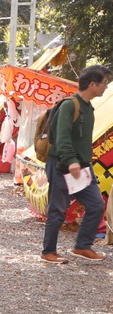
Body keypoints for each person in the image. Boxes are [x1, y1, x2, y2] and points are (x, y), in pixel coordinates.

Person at [40, 64, 110, 263]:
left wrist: (81, 161)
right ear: (92, 84)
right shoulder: (70, 105)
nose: (106, 86)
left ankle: (82, 246)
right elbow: (61, 137)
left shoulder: (89, 108)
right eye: (104, 83)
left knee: (96, 204)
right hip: (63, 165)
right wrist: (71, 160)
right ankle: (48, 252)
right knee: (58, 209)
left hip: (81, 166)